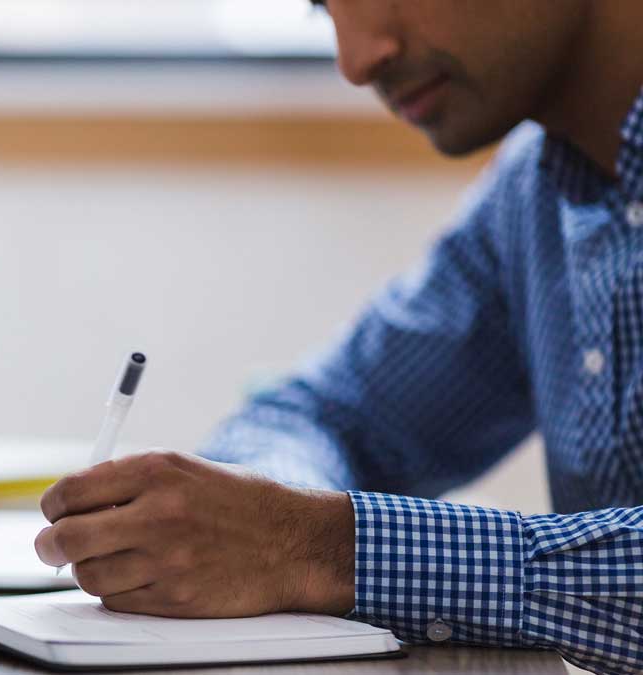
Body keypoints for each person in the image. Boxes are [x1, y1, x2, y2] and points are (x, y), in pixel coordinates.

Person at [32, 2, 643, 673]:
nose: (356, 61)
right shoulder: (536, 193)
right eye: (324, 7)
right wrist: (255, 524)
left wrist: (320, 547)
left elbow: (311, 534)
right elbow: (326, 414)